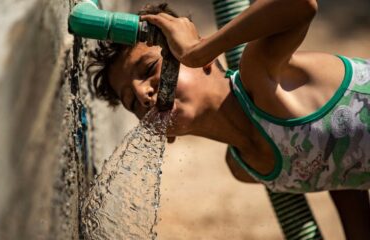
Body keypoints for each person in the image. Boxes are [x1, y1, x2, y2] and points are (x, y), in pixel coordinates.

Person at [87, 1, 370, 239]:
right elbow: (341, 170)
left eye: (149, 68)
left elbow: (301, 5)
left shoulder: (260, 75)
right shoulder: (243, 167)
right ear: (164, 135)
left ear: (205, 59)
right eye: (132, 101)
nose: (143, 94)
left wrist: (199, 49)